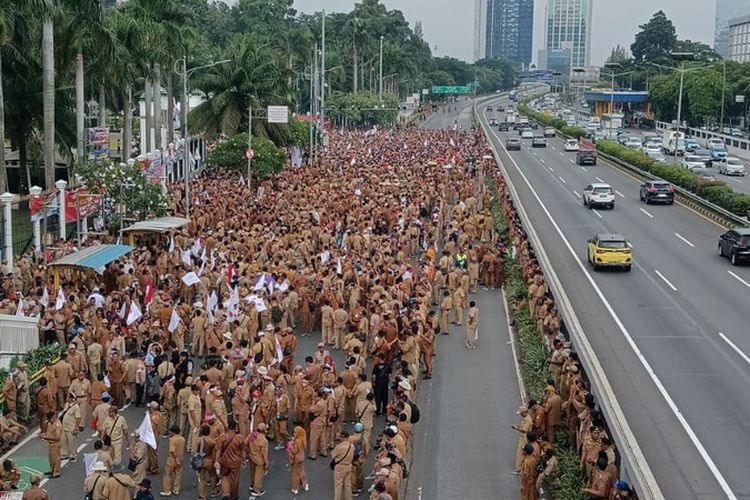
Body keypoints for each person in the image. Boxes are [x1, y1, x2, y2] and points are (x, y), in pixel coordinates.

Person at [213, 419, 245, 500]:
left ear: (228, 426)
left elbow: (218, 450)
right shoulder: (239, 438)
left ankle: (226, 494)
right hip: (235, 462)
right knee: (234, 479)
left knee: (224, 477)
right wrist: (243, 460)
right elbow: (243, 450)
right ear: (235, 427)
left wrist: (217, 461)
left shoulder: (222, 437)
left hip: (224, 461)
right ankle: (234, 496)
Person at [160, 425, 185, 497]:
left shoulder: (172, 440)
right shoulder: (182, 439)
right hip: (180, 459)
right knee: (178, 474)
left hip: (172, 460)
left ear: (173, 432)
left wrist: (175, 458)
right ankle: (176, 489)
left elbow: (172, 451)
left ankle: (167, 490)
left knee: (167, 475)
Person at [247, 422, 269, 497]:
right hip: (259, 459)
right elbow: (264, 454)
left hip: (251, 457)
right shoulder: (263, 440)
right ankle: (256, 490)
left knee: (252, 473)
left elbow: (245, 443)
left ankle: (252, 485)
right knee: (258, 475)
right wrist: (266, 463)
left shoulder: (252, 435)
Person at [331, 430, 354, 500]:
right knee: (347, 484)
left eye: (341, 437)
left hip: (340, 467)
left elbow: (332, 455)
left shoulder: (339, 447)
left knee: (338, 485)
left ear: (343, 438)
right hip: (349, 466)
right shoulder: (352, 446)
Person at [287, 426, 309, 495]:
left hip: (296, 459)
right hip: (301, 457)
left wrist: (290, 448)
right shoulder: (302, 439)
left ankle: (295, 488)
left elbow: (294, 451)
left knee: (295, 474)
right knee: (301, 471)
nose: (294, 433)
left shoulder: (297, 441)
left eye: (295, 432)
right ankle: (305, 484)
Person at [61, 392, 82, 461]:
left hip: (71, 427)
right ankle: (64, 454)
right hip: (64, 427)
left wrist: (76, 427)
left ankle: (73, 455)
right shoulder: (66, 405)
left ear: (71, 398)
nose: (66, 398)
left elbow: (78, 418)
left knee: (71, 442)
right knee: (63, 441)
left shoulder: (76, 407)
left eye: (68, 397)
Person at [41, 411, 61, 478]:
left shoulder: (57, 424)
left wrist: (47, 437)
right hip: (50, 443)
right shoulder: (49, 423)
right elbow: (45, 430)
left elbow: (58, 438)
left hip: (55, 443)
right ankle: (52, 470)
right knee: (51, 458)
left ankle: (56, 472)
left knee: (56, 459)